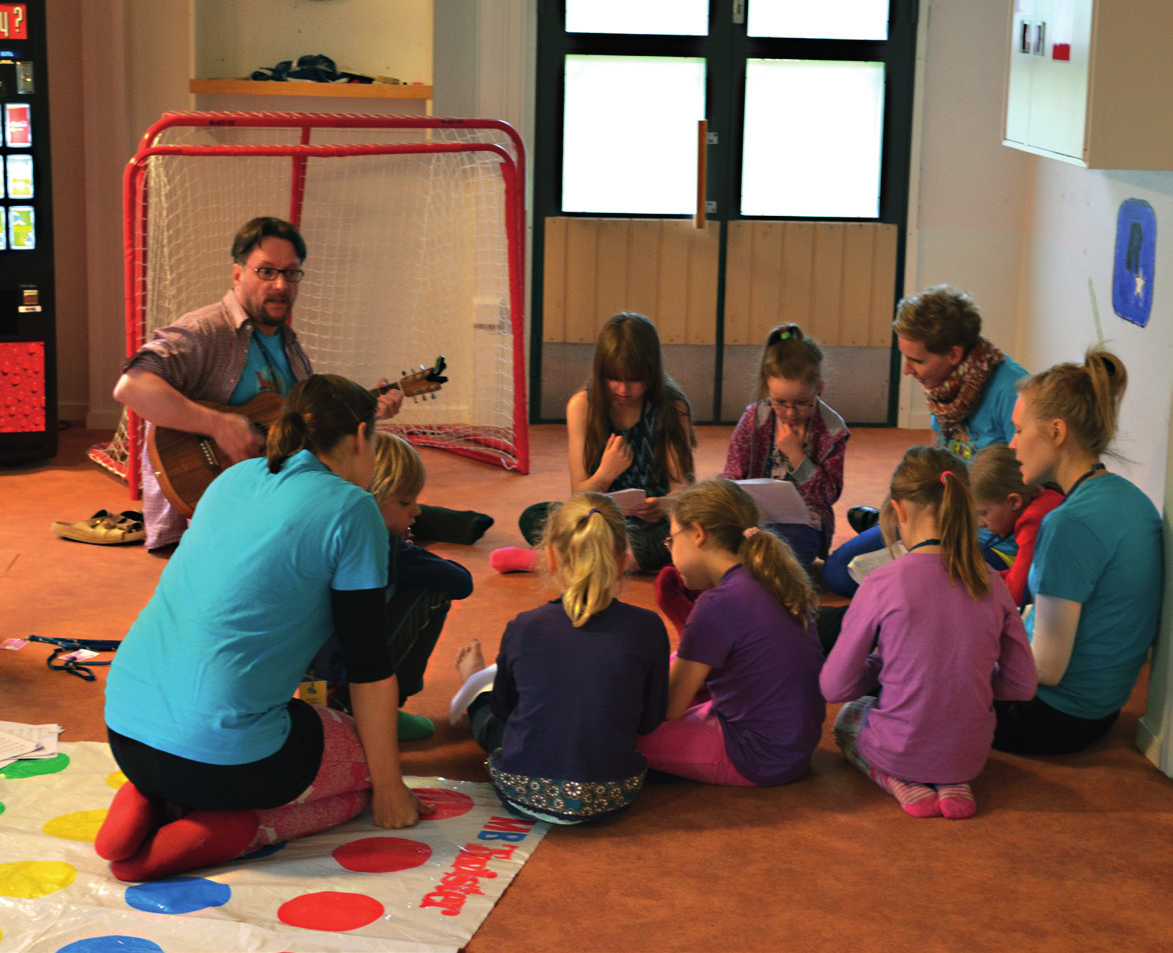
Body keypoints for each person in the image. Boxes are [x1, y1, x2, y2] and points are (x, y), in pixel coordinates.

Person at [96, 374, 431, 882]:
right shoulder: (353, 508)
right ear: (363, 436)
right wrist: (390, 789)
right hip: (222, 756)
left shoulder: (232, 478)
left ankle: (154, 796)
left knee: (245, 722)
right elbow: (368, 664)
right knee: (366, 763)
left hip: (125, 731)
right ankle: (238, 828)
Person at [113, 216, 404, 551]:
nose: (281, 285)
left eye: (290, 273)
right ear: (238, 273)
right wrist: (218, 425)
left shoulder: (291, 347)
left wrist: (366, 413)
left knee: (391, 504)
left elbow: (305, 435)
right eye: (266, 271)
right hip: (212, 515)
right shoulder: (206, 330)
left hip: (271, 502)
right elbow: (131, 387)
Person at [820, 446, 1037, 819]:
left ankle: (898, 780)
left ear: (899, 510)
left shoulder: (882, 582)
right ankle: (952, 782)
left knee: (848, 718)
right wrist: (971, 679)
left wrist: (881, 664)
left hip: (899, 748)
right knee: (948, 723)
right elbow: (1022, 685)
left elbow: (834, 687)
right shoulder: (992, 582)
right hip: (971, 754)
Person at [452, 492, 670, 824]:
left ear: (549, 558)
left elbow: (504, 710)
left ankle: (472, 679)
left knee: (491, 718)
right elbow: (649, 721)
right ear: (623, 562)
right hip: (613, 795)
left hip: (522, 790)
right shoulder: (648, 627)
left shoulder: (524, 626)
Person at [994, 348, 1162, 756]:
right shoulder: (1131, 499)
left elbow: (1047, 669)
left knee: (903, 677)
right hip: (1098, 709)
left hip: (1049, 717)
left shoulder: (1067, 524)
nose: (1012, 444)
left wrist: (968, 662)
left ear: (1056, 431)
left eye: (1019, 430)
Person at [824, 285, 1029, 596]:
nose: (907, 370)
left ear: (954, 354)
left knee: (914, 592)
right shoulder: (947, 385)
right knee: (839, 573)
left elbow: (1030, 488)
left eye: (916, 360)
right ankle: (889, 524)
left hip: (993, 538)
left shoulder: (1012, 392)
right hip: (942, 520)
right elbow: (941, 461)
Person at [637, 478, 825, 786]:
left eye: (671, 540)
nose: (670, 552)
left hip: (755, 755)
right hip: (794, 747)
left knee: (617, 730)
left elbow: (668, 707)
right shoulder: (771, 577)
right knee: (680, 668)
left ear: (697, 534)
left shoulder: (716, 604)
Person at [493, 312, 695, 574]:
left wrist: (662, 505)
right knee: (536, 516)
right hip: (598, 519)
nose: (623, 389)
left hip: (653, 525)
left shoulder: (671, 407)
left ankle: (559, 558)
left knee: (690, 531)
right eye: (614, 378)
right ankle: (614, 560)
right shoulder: (582, 406)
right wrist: (606, 473)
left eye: (634, 380)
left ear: (653, 372)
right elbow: (580, 495)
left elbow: (685, 490)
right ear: (601, 371)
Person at [310, 432, 474, 742]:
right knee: (433, 593)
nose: (416, 511)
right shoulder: (381, 546)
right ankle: (383, 711)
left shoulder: (326, 523)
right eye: (405, 502)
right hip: (344, 693)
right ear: (370, 498)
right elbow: (460, 581)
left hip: (303, 683)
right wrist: (406, 551)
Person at [722, 324, 849, 566]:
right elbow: (732, 475)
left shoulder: (833, 429)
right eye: (780, 402)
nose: (790, 412)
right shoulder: (754, 418)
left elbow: (829, 494)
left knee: (786, 553)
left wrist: (797, 456)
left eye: (801, 403)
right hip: (753, 517)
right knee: (722, 543)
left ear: (818, 390)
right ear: (767, 390)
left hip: (802, 523)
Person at [969, 443, 1063, 607]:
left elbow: (1015, 596)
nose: (980, 523)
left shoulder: (1032, 521)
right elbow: (1019, 575)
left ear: (1014, 501)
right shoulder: (1049, 497)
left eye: (984, 513)